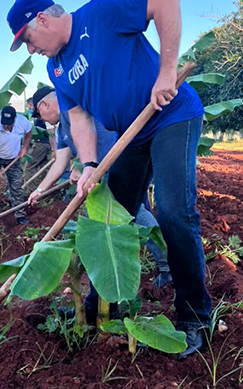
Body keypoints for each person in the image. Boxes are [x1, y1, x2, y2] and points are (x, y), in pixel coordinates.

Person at [6, 0, 211, 357]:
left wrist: (166, 72)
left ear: (43, 19)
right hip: (128, 135)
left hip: (170, 115)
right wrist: (88, 165)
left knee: (173, 211)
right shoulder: (55, 69)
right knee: (110, 218)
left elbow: (167, 1)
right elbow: (80, 117)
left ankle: (194, 316)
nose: (30, 50)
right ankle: (101, 304)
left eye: (28, 40)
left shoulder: (99, 14)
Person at [28, 85, 172, 289]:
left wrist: (83, 165)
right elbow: (60, 164)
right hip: (98, 178)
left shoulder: (79, 107)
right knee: (115, 218)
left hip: (122, 164)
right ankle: (107, 272)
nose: (41, 119)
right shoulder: (61, 129)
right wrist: (40, 190)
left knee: (136, 214)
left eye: (39, 113)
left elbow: (98, 138)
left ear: (45, 104)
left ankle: (168, 268)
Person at [0, 105, 32, 225]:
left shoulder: (23, 122)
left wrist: (25, 148)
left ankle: (20, 215)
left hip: (13, 158)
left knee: (16, 187)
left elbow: (29, 133)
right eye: (4, 123)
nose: (6, 126)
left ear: (15, 119)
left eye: (9, 123)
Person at [23, 97, 53, 192]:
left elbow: (50, 130)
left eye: (29, 106)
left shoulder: (42, 114)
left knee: (30, 166)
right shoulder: (40, 114)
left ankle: (33, 190)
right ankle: (47, 190)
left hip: (42, 144)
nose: (29, 109)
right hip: (47, 144)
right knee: (45, 167)